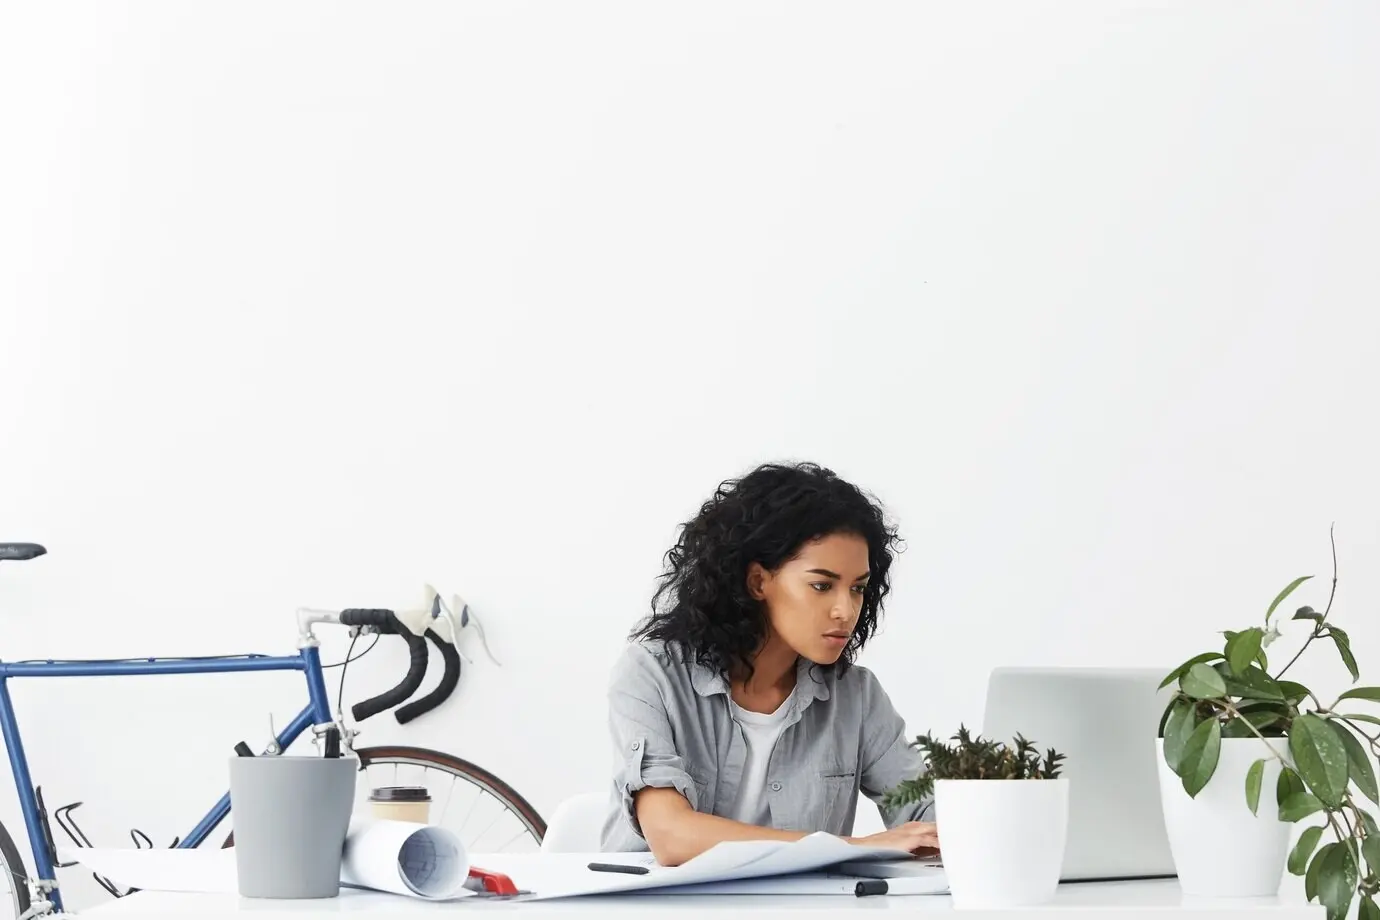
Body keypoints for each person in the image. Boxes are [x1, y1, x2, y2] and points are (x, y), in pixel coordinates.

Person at [598, 461, 937, 865]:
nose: (845, 610)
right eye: (822, 586)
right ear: (758, 581)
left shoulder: (856, 696)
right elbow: (672, 835)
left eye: (858, 588)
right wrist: (854, 847)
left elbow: (924, 817)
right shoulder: (652, 674)